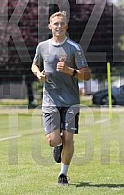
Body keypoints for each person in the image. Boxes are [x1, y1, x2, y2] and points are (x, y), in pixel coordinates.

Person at [31, 11, 91, 186]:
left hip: (71, 101)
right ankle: (58, 146)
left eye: (61, 23)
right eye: (55, 23)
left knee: (69, 138)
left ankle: (63, 174)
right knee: (53, 140)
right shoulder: (42, 47)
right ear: (50, 26)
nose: (58, 26)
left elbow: (86, 75)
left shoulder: (74, 48)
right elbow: (34, 65)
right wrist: (38, 74)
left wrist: (70, 71)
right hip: (50, 101)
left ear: (66, 26)